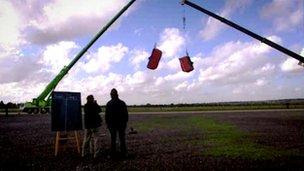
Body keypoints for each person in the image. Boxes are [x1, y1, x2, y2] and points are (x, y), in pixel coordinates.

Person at [105, 88, 128, 157]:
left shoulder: (109, 103)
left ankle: (113, 154)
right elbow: (126, 115)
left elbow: (107, 116)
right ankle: (124, 153)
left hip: (112, 125)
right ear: (117, 94)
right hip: (121, 124)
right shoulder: (122, 103)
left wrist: (108, 124)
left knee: (113, 139)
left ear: (111, 95)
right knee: (122, 139)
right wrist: (125, 123)